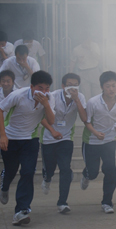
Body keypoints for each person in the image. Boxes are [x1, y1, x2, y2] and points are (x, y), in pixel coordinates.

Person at [0, 70, 54, 226]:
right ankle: (5, 185)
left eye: (46, 88)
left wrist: (46, 104)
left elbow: (51, 120)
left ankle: (21, 210)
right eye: (40, 88)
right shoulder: (19, 95)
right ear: (31, 87)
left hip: (30, 140)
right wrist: (2, 135)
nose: (43, 92)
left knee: (28, 172)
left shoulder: (49, 98)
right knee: (11, 169)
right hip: (11, 138)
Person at [81, 71, 116, 214]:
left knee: (111, 170)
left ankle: (107, 202)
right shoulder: (93, 102)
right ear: (102, 87)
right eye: (108, 86)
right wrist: (95, 133)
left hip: (109, 140)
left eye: (114, 86)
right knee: (93, 172)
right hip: (92, 141)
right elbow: (87, 121)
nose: (111, 89)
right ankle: (86, 174)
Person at [40, 73, 87, 213]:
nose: (71, 88)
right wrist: (52, 131)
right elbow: (42, 117)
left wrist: (76, 100)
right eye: (68, 85)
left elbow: (85, 118)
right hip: (49, 136)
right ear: (62, 86)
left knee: (65, 169)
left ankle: (62, 202)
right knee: (50, 168)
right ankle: (47, 178)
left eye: (75, 85)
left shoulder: (80, 97)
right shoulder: (52, 96)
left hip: (66, 137)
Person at [70, 34, 101, 100]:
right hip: (83, 72)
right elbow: (72, 62)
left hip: (94, 71)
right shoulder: (76, 49)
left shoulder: (95, 46)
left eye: (88, 40)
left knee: (97, 93)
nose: (87, 42)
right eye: (85, 41)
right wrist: (70, 74)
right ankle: (87, 109)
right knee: (86, 95)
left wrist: (90, 49)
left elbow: (98, 58)